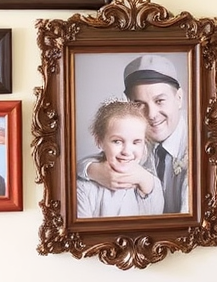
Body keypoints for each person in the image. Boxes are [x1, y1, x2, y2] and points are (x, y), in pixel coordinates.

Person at [79, 53, 189, 213]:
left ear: (178, 98)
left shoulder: (198, 147)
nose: (151, 114)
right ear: (128, 104)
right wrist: (91, 170)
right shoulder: (136, 140)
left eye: (159, 101)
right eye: (139, 104)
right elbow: (104, 154)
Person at [76, 99, 163, 218]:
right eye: (117, 141)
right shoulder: (83, 187)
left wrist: (147, 183)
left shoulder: (151, 183)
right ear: (99, 141)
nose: (127, 151)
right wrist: (90, 169)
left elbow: (156, 223)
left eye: (136, 142)